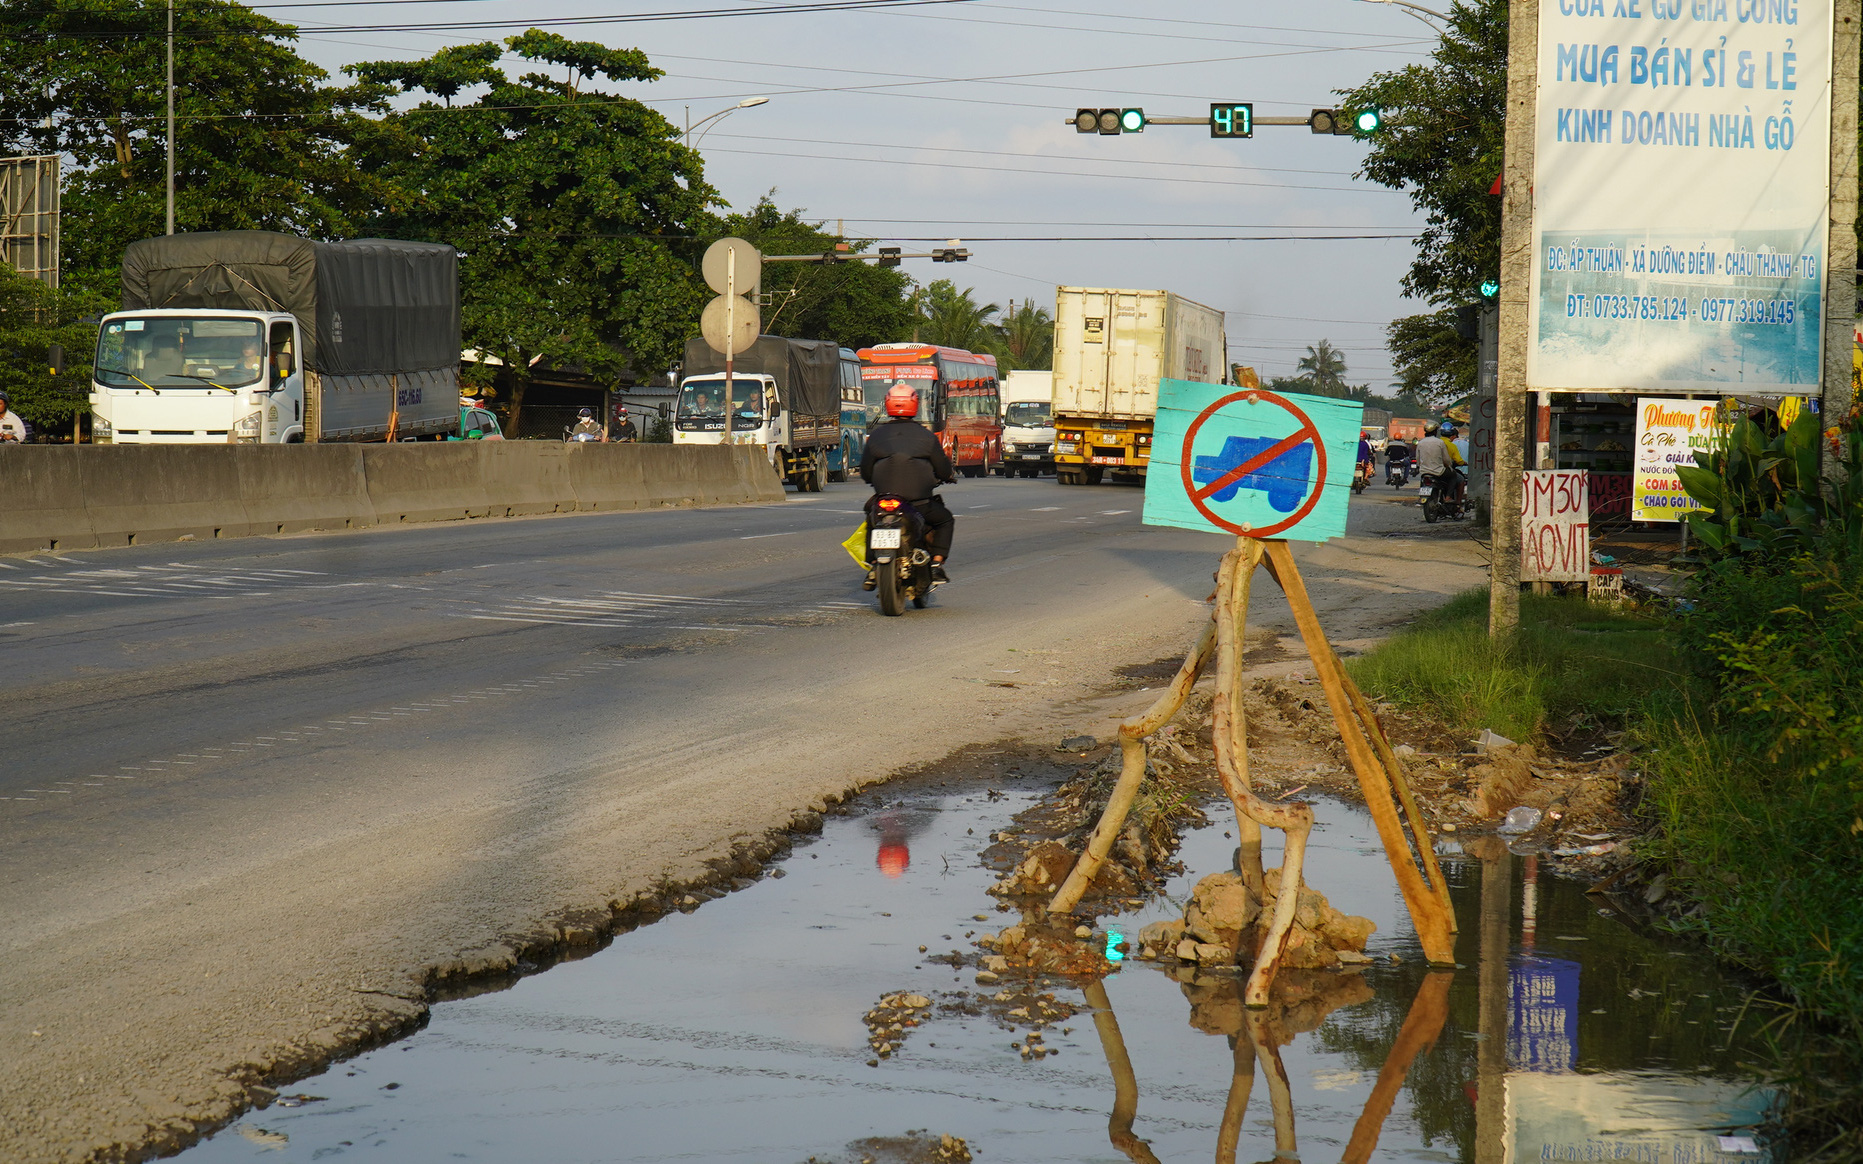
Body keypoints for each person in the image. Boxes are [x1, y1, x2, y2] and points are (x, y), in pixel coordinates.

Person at [860, 384, 955, 589]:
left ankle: (873, 564)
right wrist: (947, 476)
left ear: (887, 404)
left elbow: (865, 471)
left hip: (883, 501)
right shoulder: (927, 436)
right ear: (915, 405)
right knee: (945, 520)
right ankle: (937, 563)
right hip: (918, 504)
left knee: (871, 520)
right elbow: (943, 469)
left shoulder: (876, 436)